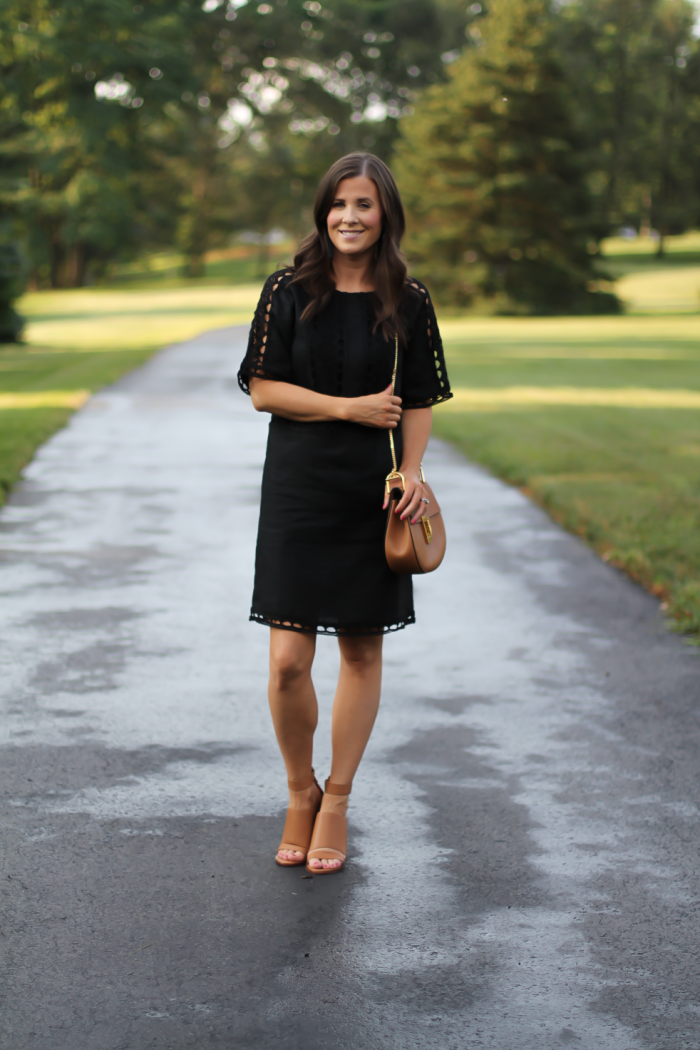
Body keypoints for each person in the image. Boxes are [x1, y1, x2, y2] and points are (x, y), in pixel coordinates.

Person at [237, 153, 452, 874]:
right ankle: (301, 789)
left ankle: (338, 802)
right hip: (298, 487)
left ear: (385, 213)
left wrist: (412, 472)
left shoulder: (410, 297)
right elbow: (264, 389)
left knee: (361, 649)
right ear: (322, 212)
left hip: (372, 490)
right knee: (288, 664)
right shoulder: (288, 289)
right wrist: (348, 409)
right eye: (338, 205)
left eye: (363, 205)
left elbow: (418, 396)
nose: (349, 218)